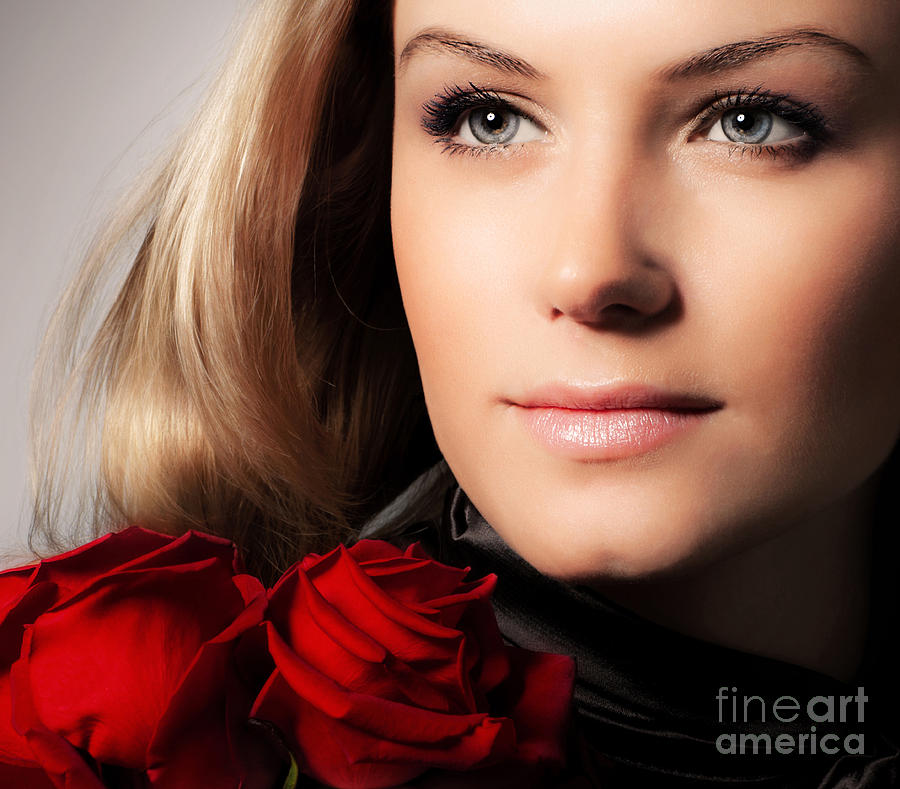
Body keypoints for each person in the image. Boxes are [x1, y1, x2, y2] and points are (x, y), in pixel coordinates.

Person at [14, 0, 900, 786]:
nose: (590, 271)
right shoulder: (125, 748)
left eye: (750, 122)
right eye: (491, 119)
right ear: (369, 152)